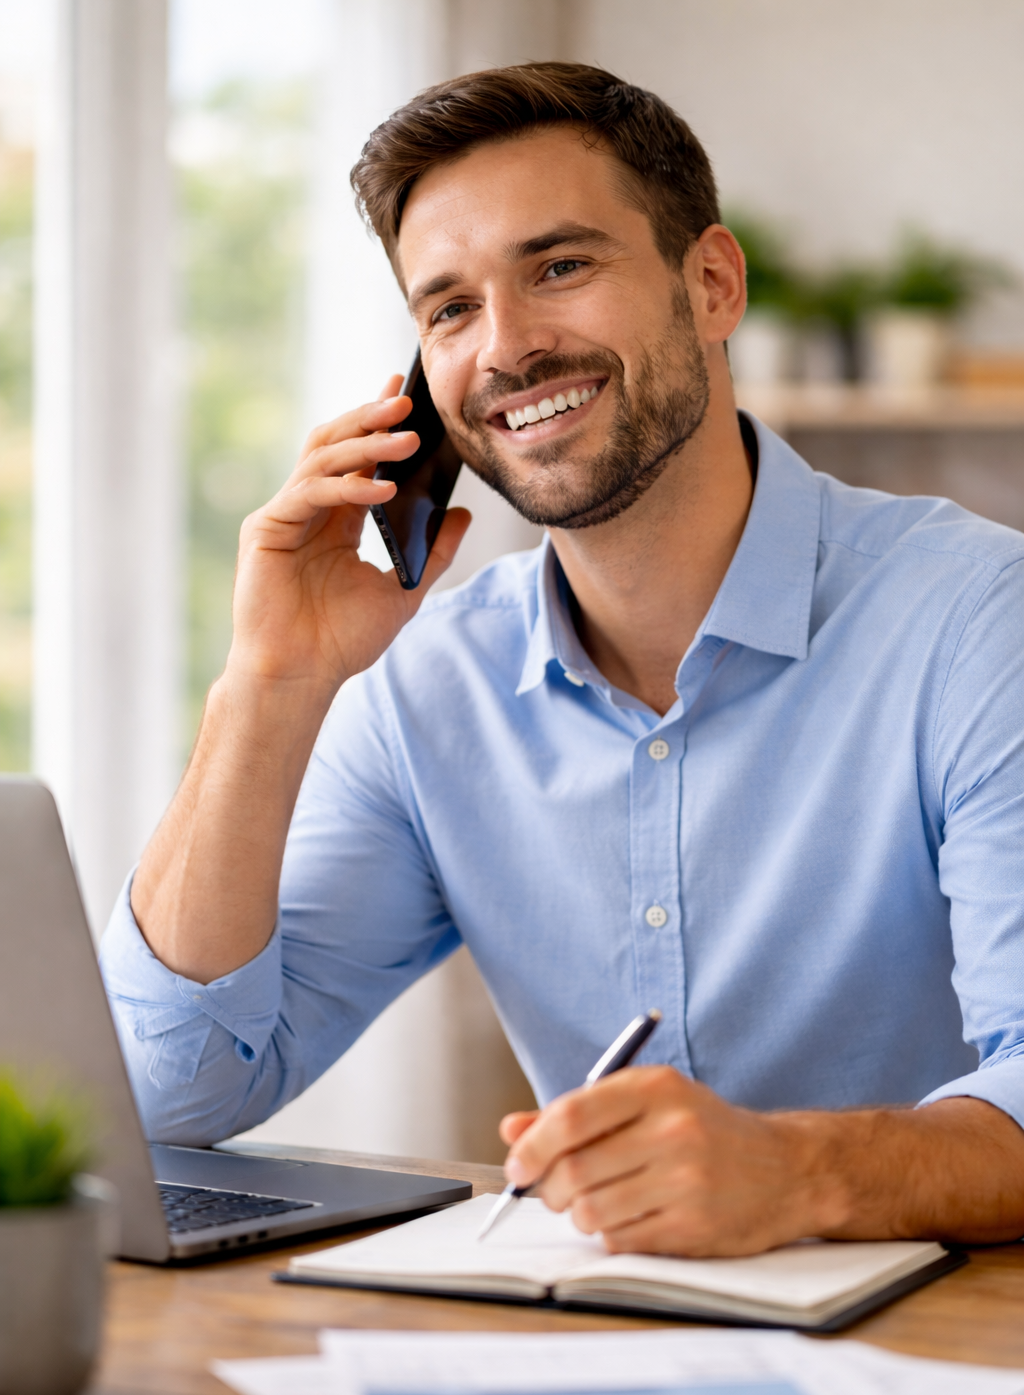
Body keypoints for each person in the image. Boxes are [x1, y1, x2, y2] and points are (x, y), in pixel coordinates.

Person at [101, 62, 1024, 1258]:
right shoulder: (428, 688)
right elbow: (169, 1093)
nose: (510, 348)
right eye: (448, 309)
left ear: (710, 284)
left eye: (559, 267)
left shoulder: (975, 620)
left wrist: (793, 1172)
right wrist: (268, 685)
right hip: (592, 1352)